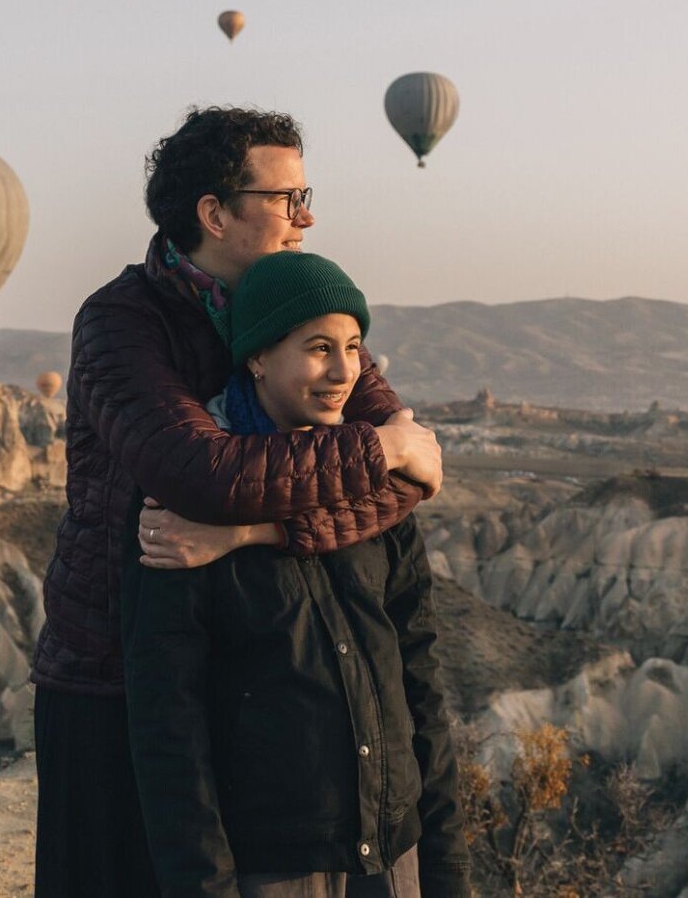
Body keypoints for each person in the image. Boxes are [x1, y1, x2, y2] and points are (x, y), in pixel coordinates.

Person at [32, 107, 445, 897]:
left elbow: (405, 477)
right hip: (113, 680)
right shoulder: (123, 324)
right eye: (288, 197)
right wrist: (380, 450)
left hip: (247, 680)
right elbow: (200, 472)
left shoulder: (304, 310)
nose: (307, 215)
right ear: (214, 213)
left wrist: (256, 529)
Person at [123, 252, 470, 898]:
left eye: (354, 347)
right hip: (273, 866)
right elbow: (170, 734)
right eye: (317, 349)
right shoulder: (187, 514)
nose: (344, 372)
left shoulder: (379, 500)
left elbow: (420, 685)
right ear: (257, 356)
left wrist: (446, 864)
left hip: (394, 854)